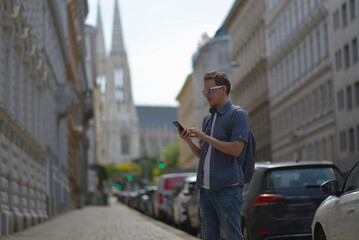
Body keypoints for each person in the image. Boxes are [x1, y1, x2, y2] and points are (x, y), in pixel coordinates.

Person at [176, 70, 249, 240]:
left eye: (210, 90)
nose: (206, 95)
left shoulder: (238, 115)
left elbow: (236, 149)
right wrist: (188, 141)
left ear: (223, 89)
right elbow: (203, 154)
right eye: (204, 92)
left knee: (233, 236)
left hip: (227, 187)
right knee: (209, 236)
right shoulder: (208, 119)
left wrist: (205, 137)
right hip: (205, 190)